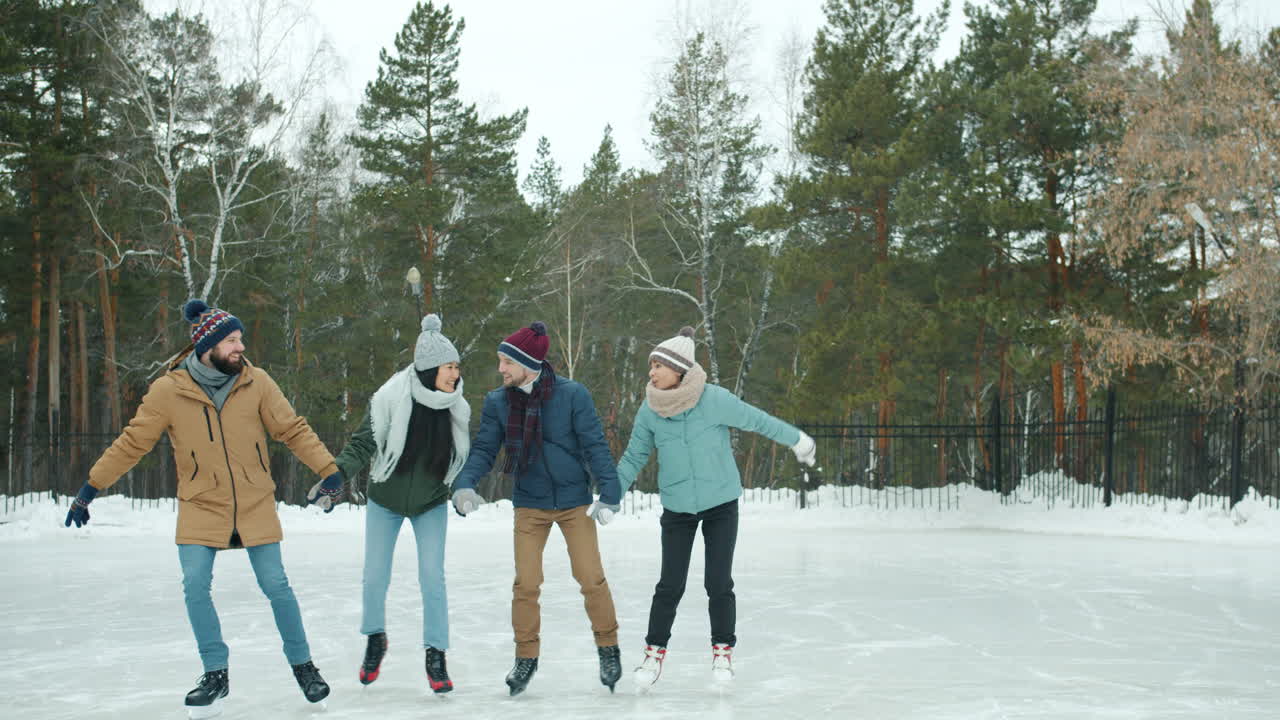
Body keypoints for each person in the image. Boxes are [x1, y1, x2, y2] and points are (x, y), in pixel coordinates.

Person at [64, 299, 345, 719]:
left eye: (240, 339)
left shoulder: (257, 382)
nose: (240, 347)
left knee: (276, 585)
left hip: (253, 500)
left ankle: (304, 667)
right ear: (207, 345)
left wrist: (329, 470)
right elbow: (133, 442)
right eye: (231, 341)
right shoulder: (169, 391)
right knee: (195, 586)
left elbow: (292, 429)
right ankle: (215, 674)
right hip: (201, 503)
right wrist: (91, 487)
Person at [614, 326, 816, 689]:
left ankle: (723, 652)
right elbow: (634, 456)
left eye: (658, 365)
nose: (652, 372)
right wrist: (610, 495)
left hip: (720, 503)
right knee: (669, 584)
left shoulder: (714, 399)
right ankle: (653, 654)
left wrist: (797, 440)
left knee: (718, 582)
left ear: (679, 369)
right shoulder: (650, 409)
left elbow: (758, 420)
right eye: (651, 366)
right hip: (677, 506)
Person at [449, 321, 624, 696]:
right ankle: (526, 656)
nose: (501, 369)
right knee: (526, 584)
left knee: (590, 578)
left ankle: (608, 649)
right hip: (530, 502)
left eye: (506, 362)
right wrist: (464, 485)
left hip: (574, 502)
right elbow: (484, 449)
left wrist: (610, 493)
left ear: (528, 364)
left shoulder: (572, 395)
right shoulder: (499, 402)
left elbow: (594, 445)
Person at [331, 314, 470, 694]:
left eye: (457, 366)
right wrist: (337, 474)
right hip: (386, 500)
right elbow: (363, 442)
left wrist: (464, 488)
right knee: (375, 575)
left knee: (432, 576)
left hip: (430, 502)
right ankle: (375, 638)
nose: (456, 374)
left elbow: (462, 458)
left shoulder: (456, 406)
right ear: (428, 368)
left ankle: (436, 653)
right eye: (449, 366)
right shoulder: (389, 398)